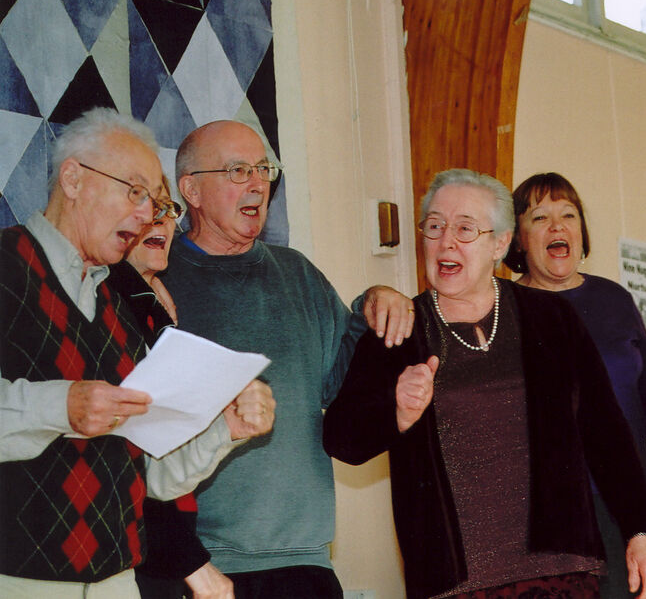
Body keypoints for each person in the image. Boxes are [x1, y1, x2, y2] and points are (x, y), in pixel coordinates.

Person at [324, 168, 646, 599]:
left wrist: (642, 534)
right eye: (434, 226)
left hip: (564, 571)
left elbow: (608, 436)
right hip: (456, 583)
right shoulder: (401, 330)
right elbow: (340, 437)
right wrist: (396, 411)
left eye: (465, 229)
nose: (446, 241)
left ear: (500, 244)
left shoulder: (552, 318)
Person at [0, 108, 274, 598]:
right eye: (134, 192)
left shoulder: (122, 309)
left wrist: (223, 431)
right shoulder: (4, 265)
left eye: (152, 201)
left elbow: (152, 477)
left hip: (118, 582)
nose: (147, 213)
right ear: (74, 178)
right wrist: (59, 406)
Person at [163, 120, 414, 598]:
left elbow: (345, 389)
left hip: (306, 563)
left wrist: (374, 303)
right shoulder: (158, 280)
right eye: (238, 170)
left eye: (264, 168)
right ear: (190, 190)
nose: (258, 182)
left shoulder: (297, 273)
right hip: (199, 568)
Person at [506, 172, 646, 598]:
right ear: (518, 240)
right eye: (540, 217)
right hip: (546, 514)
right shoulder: (502, 310)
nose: (557, 226)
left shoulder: (614, 299)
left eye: (569, 214)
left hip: (628, 505)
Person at [105, 179, 234, 599]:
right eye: (145, 202)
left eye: (166, 206)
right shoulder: (112, 306)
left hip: (162, 550)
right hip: (134, 556)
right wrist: (192, 564)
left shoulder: (153, 307)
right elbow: (125, 458)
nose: (160, 216)